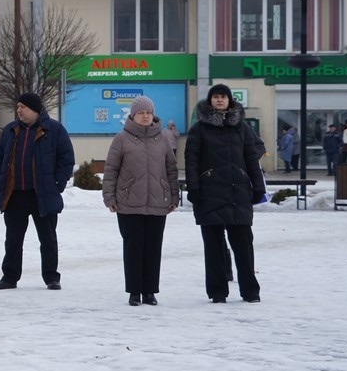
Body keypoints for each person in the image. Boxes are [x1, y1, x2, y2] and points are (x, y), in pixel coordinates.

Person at [185, 83, 265, 304]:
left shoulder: (242, 128)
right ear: (210, 101)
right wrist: (194, 188)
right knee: (213, 248)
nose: (219, 100)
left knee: (243, 245)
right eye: (216, 97)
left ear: (230, 100)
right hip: (209, 193)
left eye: (223, 97)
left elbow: (251, 159)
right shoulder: (199, 129)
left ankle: (250, 291)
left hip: (237, 192)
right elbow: (191, 161)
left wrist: (258, 187)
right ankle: (218, 291)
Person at [0, 92, 74, 291]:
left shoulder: (54, 129)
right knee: (13, 239)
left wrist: (57, 185)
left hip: (42, 194)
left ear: (35, 110)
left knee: (48, 238)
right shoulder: (11, 130)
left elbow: (66, 159)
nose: (18, 110)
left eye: (23, 107)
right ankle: (9, 277)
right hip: (15, 194)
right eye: (17, 107)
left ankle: (51, 277)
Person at [101, 96, 178, 307]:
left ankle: (150, 291)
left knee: (153, 249)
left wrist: (173, 195)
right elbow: (111, 170)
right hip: (128, 203)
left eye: (148, 113)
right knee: (133, 248)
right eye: (140, 113)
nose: (145, 117)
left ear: (153, 115)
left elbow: (171, 170)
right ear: (133, 115)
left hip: (157, 203)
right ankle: (134, 291)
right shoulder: (121, 139)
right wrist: (109, 197)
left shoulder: (162, 139)